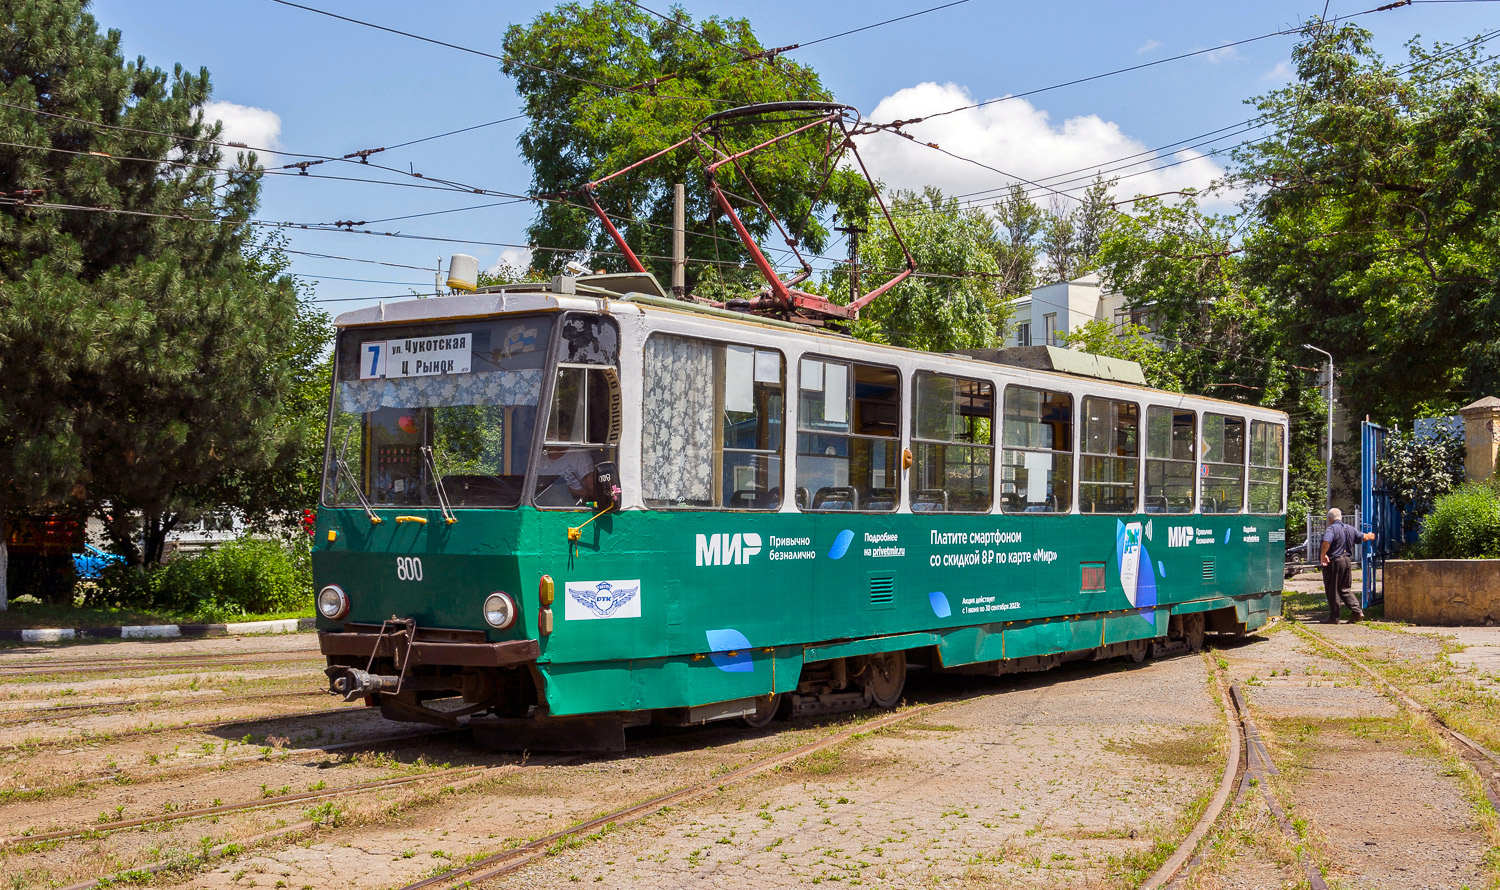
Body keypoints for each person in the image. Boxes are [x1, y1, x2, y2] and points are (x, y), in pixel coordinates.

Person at [1319, 507, 1375, 624]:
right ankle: (1357, 612)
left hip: (1334, 562)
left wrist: (1323, 554)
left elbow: (1326, 541)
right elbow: (1362, 537)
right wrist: (1370, 536)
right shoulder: (1349, 529)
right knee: (1345, 588)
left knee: (1333, 589)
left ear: (1329, 519)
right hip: (1347, 561)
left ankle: (1334, 617)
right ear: (1341, 518)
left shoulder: (1331, 529)